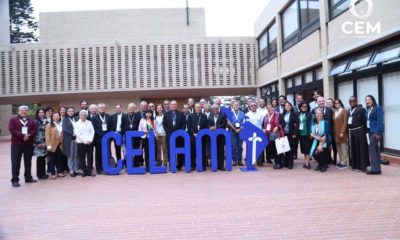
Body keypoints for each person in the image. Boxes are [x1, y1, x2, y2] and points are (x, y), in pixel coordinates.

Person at [9, 105, 37, 187]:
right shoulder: (13, 120)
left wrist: (29, 135)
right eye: (22, 110)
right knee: (15, 163)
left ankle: (28, 178)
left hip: (28, 144)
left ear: (27, 112)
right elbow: (12, 130)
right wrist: (22, 136)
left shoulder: (32, 120)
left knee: (28, 162)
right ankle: (15, 180)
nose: (23, 112)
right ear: (18, 111)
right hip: (16, 145)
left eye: (25, 110)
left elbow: (35, 130)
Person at [347, 96, 369, 172]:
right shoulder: (349, 110)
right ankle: (354, 165)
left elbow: (365, 121)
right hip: (351, 132)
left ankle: (362, 166)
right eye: (350, 101)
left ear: (356, 101)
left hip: (359, 132)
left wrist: (363, 131)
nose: (351, 102)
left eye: (353, 100)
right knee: (353, 149)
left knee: (360, 149)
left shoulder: (361, 109)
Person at [163, 100, 186, 171]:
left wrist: (179, 133)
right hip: (170, 136)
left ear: (177, 105)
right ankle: (171, 165)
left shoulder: (181, 114)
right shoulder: (166, 114)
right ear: (170, 106)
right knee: (170, 150)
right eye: (172, 104)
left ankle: (179, 165)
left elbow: (184, 124)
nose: (173, 106)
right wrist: (170, 133)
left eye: (175, 104)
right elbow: (164, 125)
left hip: (179, 136)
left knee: (180, 151)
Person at [365, 95, 384, 175]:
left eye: (369, 99)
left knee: (373, 150)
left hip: (375, 132)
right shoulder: (368, 109)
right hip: (369, 131)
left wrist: (378, 133)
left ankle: (375, 169)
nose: (367, 101)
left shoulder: (378, 108)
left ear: (373, 100)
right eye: (366, 100)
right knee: (375, 150)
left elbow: (380, 121)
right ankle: (377, 168)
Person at [187, 103, 208, 170]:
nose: (198, 108)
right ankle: (193, 165)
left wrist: (200, 133)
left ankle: (202, 165)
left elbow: (206, 126)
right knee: (193, 151)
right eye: (197, 107)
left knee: (202, 151)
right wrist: (193, 133)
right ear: (194, 108)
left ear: (201, 108)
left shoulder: (204, 116)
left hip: (202, 136)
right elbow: (189, 126)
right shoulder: (190, 116)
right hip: (193, 136)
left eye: (199, 107)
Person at [74, 110, 95, 177]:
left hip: (89, 142)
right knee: (82, 158)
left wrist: (90, 140)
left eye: (84, 115)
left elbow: (92, 131)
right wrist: (85, 141)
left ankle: (89, 171)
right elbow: (78, 133)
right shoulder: (76, 123)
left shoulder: (89, 122)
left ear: (86, 116)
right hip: (81, 143)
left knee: (90, 157)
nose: (83, 116)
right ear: (79, 116)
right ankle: (84, 171)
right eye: (82, 115)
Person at [92, 103, 111, 173]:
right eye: (100, 107)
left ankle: (106, 167)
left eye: (103, 107)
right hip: (98, 139)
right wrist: (102, 135)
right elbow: (95, 128)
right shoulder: (94, 118)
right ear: (98, 109)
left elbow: (111, 127)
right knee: (98, 154)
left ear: (105, 108)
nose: (102, 109)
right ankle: (99, 169)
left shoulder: (109, 116)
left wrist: (107, 135)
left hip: (107, 138)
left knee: (107, 153)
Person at [278, 102, 299, 169]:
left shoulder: (294, 114)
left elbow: (297, 125)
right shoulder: (281, 114)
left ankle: (290, 163)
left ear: (291, 106)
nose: (287, 107)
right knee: (285, 148)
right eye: (286, 106)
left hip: (291, 134)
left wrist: (295, 133)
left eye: (288, 105)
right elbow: (280, 123)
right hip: (283, 134)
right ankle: (286, 162)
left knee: (291, 149)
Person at [208, 104, 227, 171]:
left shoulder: (223, 115)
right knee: (213, 150)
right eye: (213, 108)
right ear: (212, 109)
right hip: (212, 136)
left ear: (218, 108)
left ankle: (221, 165)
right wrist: (210, 128)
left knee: (221, 151)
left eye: (216, 108)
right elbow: (208, 125)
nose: (215, 109)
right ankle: (214, 164)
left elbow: (224, 125)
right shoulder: (210, 115)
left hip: (221, 136)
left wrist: (216, 127)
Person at [244, 101, 264, 166]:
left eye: (254, 105)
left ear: (256, 106)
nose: (253, 107)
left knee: (259, 147)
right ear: (249, 107)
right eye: (252, 106)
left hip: (259, 132)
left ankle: (259, 161)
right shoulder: (247, 114)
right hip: (250, 133)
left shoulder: (260, 114)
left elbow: (262, 123)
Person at [45, 112, 65, 179]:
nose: (56, 117)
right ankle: (53, 173)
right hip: (52, 144)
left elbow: (61, 134)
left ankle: (59, 172)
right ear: (52, 117)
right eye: (54, 116)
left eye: (57, 116)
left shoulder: (60, 124)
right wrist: (48, 145)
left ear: (59, 117)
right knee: (52, 159)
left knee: (59, 159)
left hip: (59, 144)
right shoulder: (49, 125)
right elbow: (47, 136)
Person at [63, 106, 80, 177]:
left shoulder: (77, 118)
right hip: (69, 139)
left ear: (74, 111)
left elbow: (80, 127)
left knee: (76, 154)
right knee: (70, 155)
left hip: (77, 139)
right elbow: (65, 129)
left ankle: (76, 169)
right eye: (69, 111)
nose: (70, 112)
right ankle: (71, 170)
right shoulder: (65, 119)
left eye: (72, 111)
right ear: (67, 112)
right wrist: (72, 134)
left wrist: (77, 134)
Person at [227, 101, 245, 166]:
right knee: (233, 146)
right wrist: (235, 129)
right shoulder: (230, 113)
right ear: (232, 106)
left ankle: (240, 160)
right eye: (235, 105)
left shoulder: (242, 113)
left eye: (237, 105)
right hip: (232, 131)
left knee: (240, 147)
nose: (236, 106)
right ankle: (234, 160)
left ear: (239, 106)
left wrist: (239, 129)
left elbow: (244, 122)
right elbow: (228, 122)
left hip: (241, 131)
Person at [333, 99, 349, 169]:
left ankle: (344, 163)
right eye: (335, 103)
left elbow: (345, 122)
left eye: (338, 103)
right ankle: (341, 161)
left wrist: (342, 132)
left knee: (343, 148)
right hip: (336, 133)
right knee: (338, 148)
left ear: (340, 103)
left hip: (342, 133)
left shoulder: (344, 110)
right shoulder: (334, 111)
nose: (337, 104)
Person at [34, 108, 49, 180]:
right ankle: (40, 174)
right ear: (37, 113)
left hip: (46, 142)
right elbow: (35, 133)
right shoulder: (35, 121)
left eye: (42, 112)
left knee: (44, 158)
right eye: (40, 112)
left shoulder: (46, 120)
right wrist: (38, 142)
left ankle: (43, 173)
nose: (41, 114)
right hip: (39, 142)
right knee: (40, 158)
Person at [297, 102, 312, 169]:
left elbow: (312, 124)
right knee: (303, 149)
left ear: (307, 107)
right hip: (300, 134)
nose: (304, 107)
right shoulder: (298, 114)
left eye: (305, 106)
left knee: (307, 149)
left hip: (307, 133)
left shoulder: (310, 114)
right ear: (300, 107)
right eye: (302, 106)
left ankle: (307, 163)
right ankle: (306, 161)